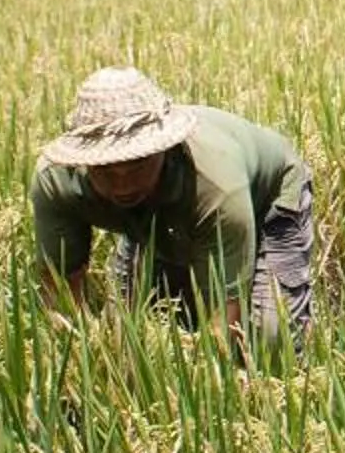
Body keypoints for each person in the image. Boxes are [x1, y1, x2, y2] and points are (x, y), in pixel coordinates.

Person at [31, 67, 315, 354]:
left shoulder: (215, 184)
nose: (122, 186)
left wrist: (202, 366)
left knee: (270, 339)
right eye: (105, 172)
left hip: (267, 201)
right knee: (126, 331)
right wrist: (84, 354)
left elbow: (223, 321)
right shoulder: (56, 180)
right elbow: (60, 293)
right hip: (160, 212)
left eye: (137, 167)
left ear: (163, 150)